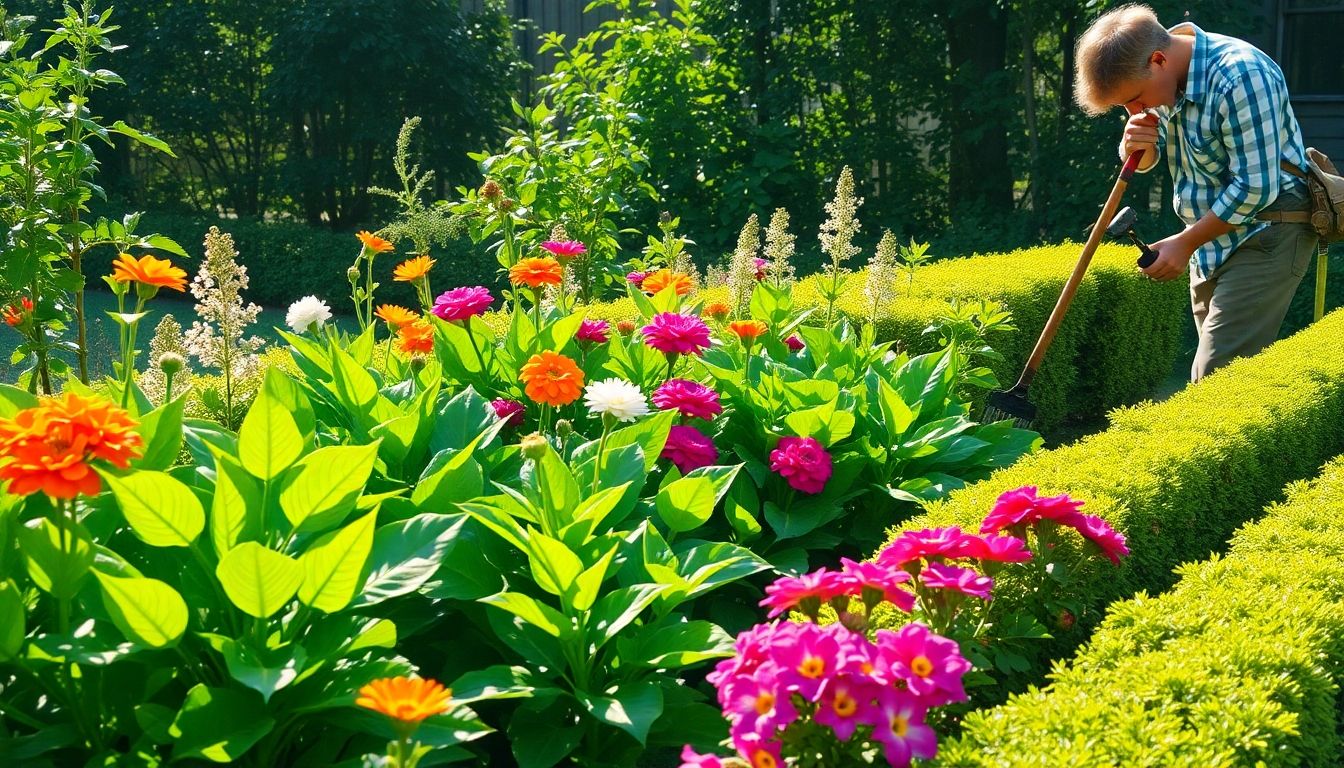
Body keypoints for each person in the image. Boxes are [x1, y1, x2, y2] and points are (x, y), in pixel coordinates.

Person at [1073, 4, 1320, 381]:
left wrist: (1185, 242)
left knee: (1214, 380)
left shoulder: (1241, 75)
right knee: (1228, 382)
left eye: (1134, 99)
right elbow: (1147, 158)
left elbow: (1257, 187)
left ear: (1158, 59)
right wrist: (1135, 147)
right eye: (1124, 106)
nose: (1134, 110)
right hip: (1211, 243)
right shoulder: (1162, 78)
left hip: (1268, 230)